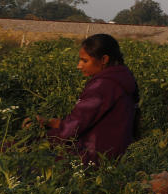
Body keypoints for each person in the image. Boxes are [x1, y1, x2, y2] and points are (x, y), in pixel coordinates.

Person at [37, 33, 139, 166]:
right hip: (117, 153)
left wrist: (44, 138)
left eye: (84, 61)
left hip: (94, 156)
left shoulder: (103, 85)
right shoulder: (123, 78)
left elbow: (74, 127)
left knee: (27, 152)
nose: (79, 66)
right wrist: (51, 122)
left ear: (104, 60)